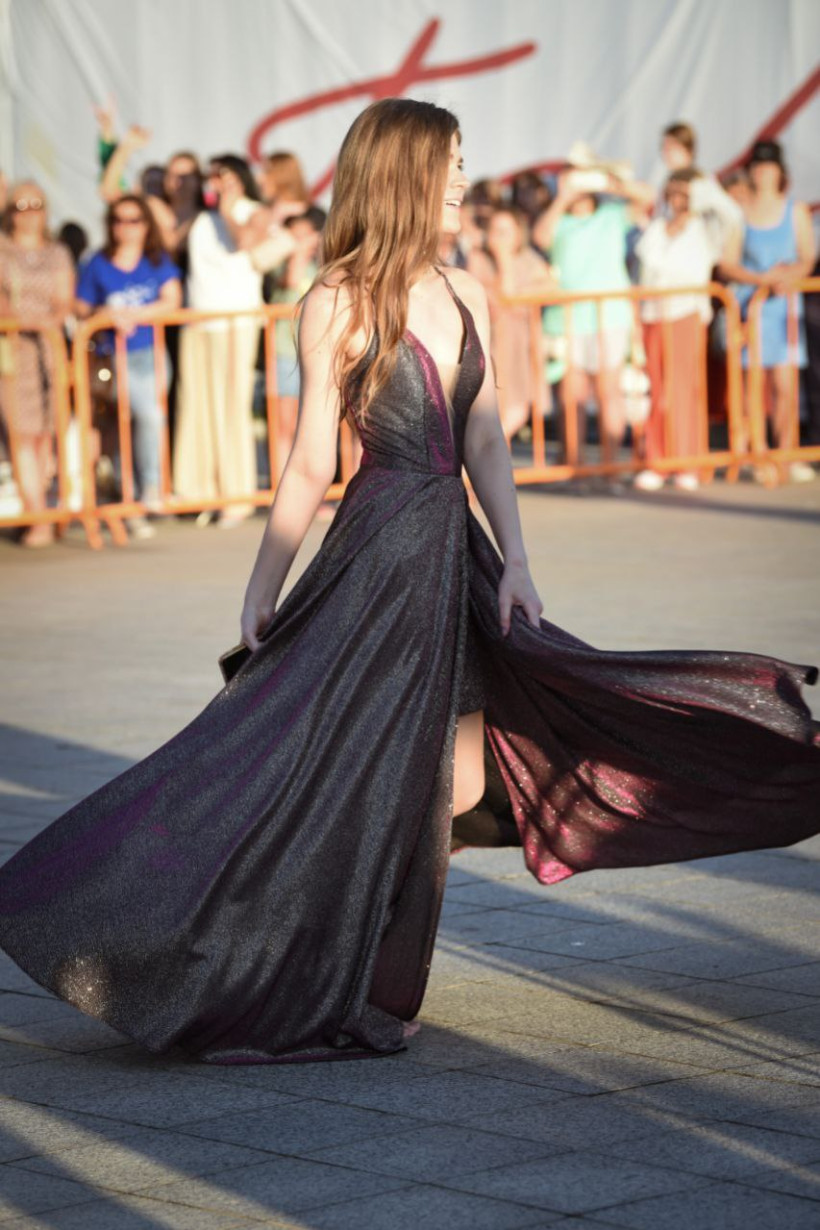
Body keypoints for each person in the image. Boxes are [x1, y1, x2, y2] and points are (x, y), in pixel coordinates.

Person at [0, 99, 817, 1067]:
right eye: (451, 163)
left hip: (452, 554)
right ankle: (265, 949)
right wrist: (264, 583)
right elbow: (312, 460)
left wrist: (518, 561)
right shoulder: (334, 302)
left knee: (454, 777)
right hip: (379, 556)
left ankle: (343, 924)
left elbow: (486, 437)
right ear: (404, 175)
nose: (464, 180)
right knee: (331, 763)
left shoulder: (466, 290)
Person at [173, 154, 292, 528]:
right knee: (196, 407)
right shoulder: (199, 217)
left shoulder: (254, 211)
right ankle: (198, 492)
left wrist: (227, 207)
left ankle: (236, 496)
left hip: (236, 321)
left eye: (225, 177)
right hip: (198, 320)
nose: (218, 183)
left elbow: (243, 241)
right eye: (213, 177)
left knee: (231, 407)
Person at [534, 155, 654, 468]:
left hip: (610, 317)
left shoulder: (612, 215)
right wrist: (563, 197)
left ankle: (610, 466)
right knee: (570, 395)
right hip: (567, 321)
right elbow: (540, 237)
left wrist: (609, 180)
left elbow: (647, 197)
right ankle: (575, 464)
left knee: (609, 391)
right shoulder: (559, 219)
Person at [76, 194, 182, 536]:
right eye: (119, 220)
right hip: (115, 356)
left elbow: (172, 300)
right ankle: (146, 490)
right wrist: (106, 314)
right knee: (139, 419)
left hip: (152, 353)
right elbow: (81, 307)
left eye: (134, 219)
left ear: (146, 224)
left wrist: (133, 314)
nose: (127, 227)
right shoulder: (98, 262)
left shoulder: (156, 259)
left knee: (143, 422)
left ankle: (134, 499)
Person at [634, 168, 740, 492]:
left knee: (684, 391)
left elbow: (732, 216)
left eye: (684, 193)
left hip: (686, 315)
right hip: (654, 315)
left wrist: (702, 187)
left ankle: (688, 462)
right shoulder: (657, 228)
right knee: (657, 390)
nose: (677, 199)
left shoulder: (705, 228)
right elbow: (646, 270)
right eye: (673, 192)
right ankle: (658, 460)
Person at [720, 139, 816, 484]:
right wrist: (760, 279)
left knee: (785, 386)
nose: (763, 173)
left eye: (769, 167)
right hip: (753, 308)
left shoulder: (795, 211)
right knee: (753, 388)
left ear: (779, 171)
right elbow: (727, 263)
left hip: (783, 309)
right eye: (758, 167)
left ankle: (785, 454)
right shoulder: (740, 214)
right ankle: (758, 453)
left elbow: (807, 258)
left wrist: (787, 277)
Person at [0, 181, 74, 547]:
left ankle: (43, 507)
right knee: (21, 433)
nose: (29, 214)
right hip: (13, 348)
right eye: (21, 206)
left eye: (36, 205)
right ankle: (37, 515)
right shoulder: (2, 250)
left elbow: (64, 299)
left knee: (46, 432)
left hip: (49, 346)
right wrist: (22, 321)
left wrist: (50, 322)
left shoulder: (57, 252)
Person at [467, 205, 555, 442]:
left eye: (506, 231)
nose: (499, 237)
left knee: (519, 408)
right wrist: (503, 259)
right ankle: (488, 453)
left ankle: (493, 451)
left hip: (522, 343)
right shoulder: (479, 258)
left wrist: (521, 292)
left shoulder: (529, 259)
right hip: (494, 343)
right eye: (495, 230)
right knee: (496, 408)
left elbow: (548, 286)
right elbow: (506, 295)